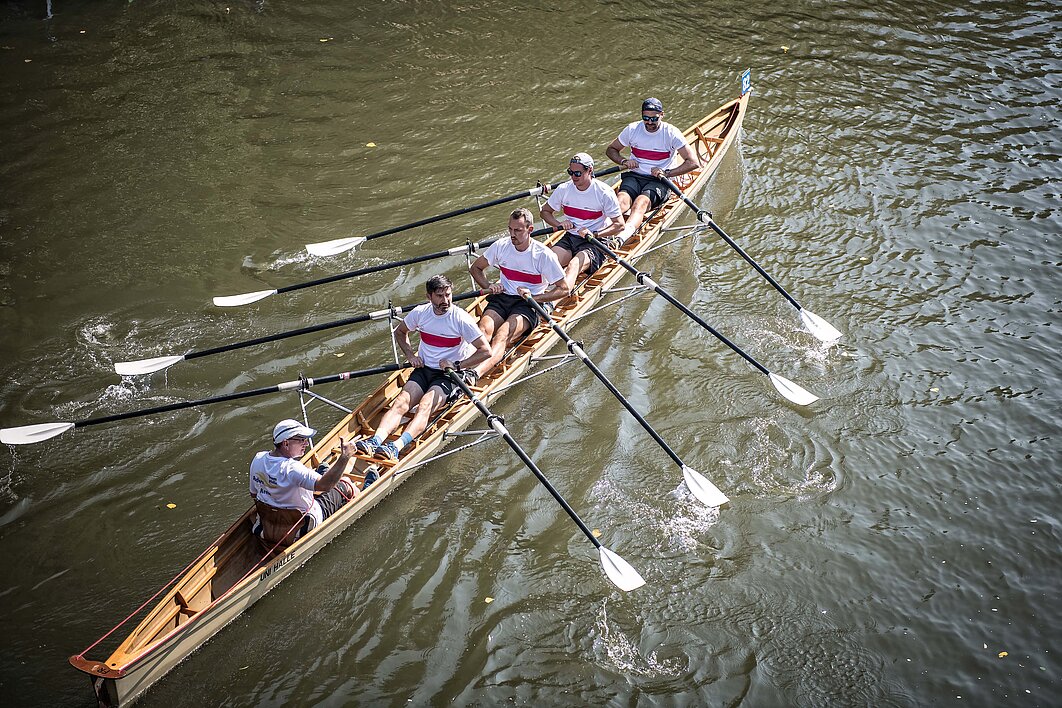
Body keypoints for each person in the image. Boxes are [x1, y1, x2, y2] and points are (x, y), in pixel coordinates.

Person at [356, 274, 492, 461]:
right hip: (424, 369)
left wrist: (457, 365)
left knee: (425, 405)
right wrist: (411, 356)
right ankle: (375, 441)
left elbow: (486, 351)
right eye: (440, 296)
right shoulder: (420, 313)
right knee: (401, 402)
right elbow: (400, 332)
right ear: (429, 297)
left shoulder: (461, 319)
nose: (445, 300)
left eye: (448, 295)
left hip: (449, 375)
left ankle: (396, 446)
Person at [467, 208, 568, 379]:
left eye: (518, 230)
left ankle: (474, 374)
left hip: (529, 304)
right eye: (510, 229)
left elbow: (564, 289)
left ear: (530, 230)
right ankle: (459, 367)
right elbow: (475, 268)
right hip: (503, 298)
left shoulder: (543, 255)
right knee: (482, 330)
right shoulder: (501, 246)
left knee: (502, 335)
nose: (512, 234)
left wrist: (534, 297)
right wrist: (489, 285)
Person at [249, 419, 357, 546]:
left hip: (267, 529)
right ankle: (365, 488)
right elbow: (326, 486)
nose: (306, 443)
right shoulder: (293, 469)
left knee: (311, 484)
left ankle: (321, 472)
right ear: (286, 443)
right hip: (303, 527)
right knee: (346, 482)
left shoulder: (258, 459)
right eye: (301, 440)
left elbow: (254, 494)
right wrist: (345, 456)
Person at [605, 97, 699, 240]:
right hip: (635, 176)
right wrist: (624, 161)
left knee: (640, 203)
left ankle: (621, 239)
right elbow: (611, 149)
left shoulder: (671, 133)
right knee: (620, 201)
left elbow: (693, 162)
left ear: (662, 114)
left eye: (654, 119)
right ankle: (600, 232)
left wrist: (667, 173)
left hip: (660, 181)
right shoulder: (632, 129)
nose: (649, 122)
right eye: (645, 118)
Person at [540, 152, 625, 293]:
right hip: (571, 237)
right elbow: (545, 212)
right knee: (548, 262)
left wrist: (595, 234)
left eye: (577, 173)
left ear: (590, 170)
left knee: (573, 265)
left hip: (596, 242)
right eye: (570, 172)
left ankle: (552, 302)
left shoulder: (604, 192)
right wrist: (558, 224)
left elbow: (620, 225)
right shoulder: (564, 189)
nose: (573, 177)